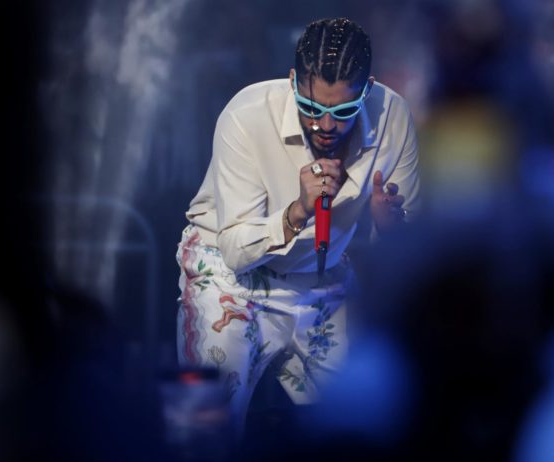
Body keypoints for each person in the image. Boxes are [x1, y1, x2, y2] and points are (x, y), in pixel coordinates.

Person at [175, 17, 419, 434]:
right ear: (292, 82)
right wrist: (297, 212)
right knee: (206, 428)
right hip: (230, 277)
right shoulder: (247, 115)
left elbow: (407, 256)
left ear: (368, 89)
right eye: (312, 108)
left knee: (365, 423)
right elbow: (234, 249)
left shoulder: (393, 116)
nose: (326, 125)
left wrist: (388, 228)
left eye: (343, 111)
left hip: (323, 279)